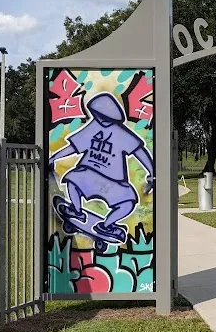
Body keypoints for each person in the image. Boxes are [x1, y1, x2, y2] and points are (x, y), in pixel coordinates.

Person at [48, 92, 154, 243]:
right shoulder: (93, 126)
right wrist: (54, 157)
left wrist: (151, 171)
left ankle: (106, 225)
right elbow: (74, 147)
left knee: (128, 202)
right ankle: (77, 211)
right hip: (89, 172)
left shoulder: (121, 133)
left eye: (104, 117)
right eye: (98, 115)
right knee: (72, 180)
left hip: (114, 181)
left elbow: (140, 152)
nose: (101, 119)